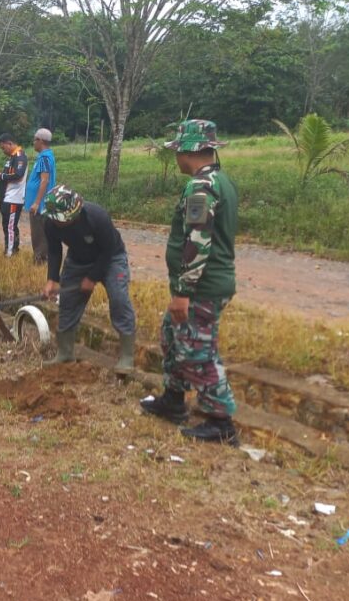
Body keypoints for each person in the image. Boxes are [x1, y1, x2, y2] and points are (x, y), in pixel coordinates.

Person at [139, 119, 239, 445]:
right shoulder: (219, 180)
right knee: (172, 336)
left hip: (201, 288)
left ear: (189, 151)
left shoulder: (201, 187)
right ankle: (173, 399)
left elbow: (198, 241)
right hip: (202, 285)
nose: (177, 157)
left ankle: (220, 422)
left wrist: (182, 292)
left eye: (178, 151)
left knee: (198, 351)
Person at [41, 185, 136, 374]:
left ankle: (127, 356)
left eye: (61, 220)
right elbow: (54, 250)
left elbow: (108, 250)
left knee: (118, 298)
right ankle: (65, 352)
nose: (57, 223)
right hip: (78, 259)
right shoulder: (50, 222)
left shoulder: (96, 217)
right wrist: (52, 279)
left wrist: (92, 278)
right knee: (68, 302)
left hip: (111, 258)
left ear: (73, 213)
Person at [0, 133, 27, 257]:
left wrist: (0, 175)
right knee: (7, 225)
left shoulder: (19, 156)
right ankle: (11, 249)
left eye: (3, 148)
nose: (3, 151)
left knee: (10, 226)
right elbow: (8, 175)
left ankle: (10, 253)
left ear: (9, 143)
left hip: (14, 198)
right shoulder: (11, 157)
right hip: (6, 197)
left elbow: (18, 175)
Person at [25, 128, 57, 264]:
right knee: (40, 232)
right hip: (40, 203)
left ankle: (40, 260)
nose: (33, 143)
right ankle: (42, 258)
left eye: (34, 139)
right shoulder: (45, 156)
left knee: (39, 234)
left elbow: (45, 180)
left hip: (40, 205)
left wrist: (37, 203)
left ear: (40, 141)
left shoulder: (44, 158)